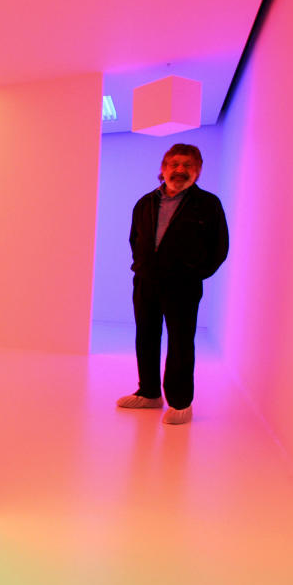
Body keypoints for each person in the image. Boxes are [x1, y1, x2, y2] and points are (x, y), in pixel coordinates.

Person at [116, 144, 228, 425]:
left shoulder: (208, 204)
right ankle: (150, 392)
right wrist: (142, 267)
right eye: (174, 164)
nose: (180, 170)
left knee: (180, 342)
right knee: (146, 336)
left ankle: (180, 402)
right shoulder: (145, 203)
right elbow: (135, 239)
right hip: (146, 282)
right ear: (163, 168)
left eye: (188, 165)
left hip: (184, 286)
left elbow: (219, 248)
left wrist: (194, 273)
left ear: (198, 170)